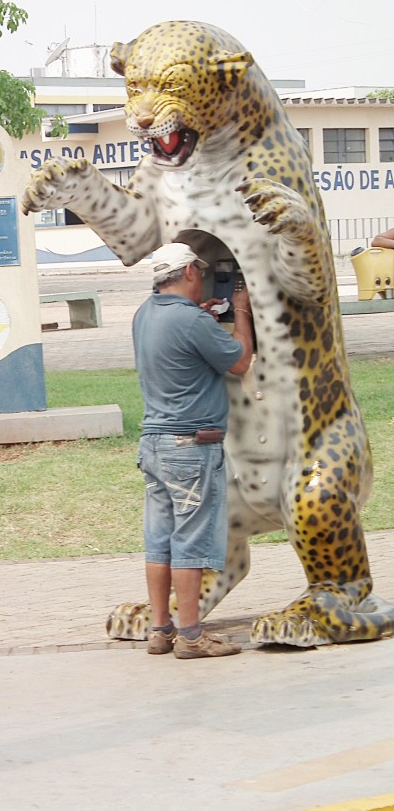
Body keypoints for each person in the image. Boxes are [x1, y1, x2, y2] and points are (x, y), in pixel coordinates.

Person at [133, 242, 254, 659]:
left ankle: (160, 629)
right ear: (187, 273)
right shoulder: (191, 321)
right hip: (190, 448)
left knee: (159, 541)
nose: (202, 276)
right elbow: (239, 362)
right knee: (190, 541)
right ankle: (191, 636)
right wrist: (241, 310)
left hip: (153, 443)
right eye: (199, 271)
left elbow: (178, 344)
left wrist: (200, 317)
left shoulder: (144, 314)